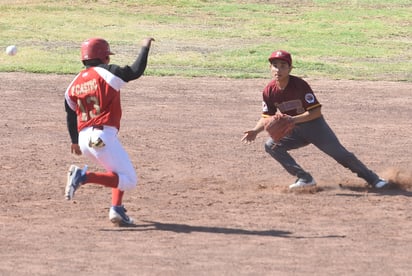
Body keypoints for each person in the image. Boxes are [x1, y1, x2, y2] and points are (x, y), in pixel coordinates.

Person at [241, 50, 389, 190]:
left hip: (316, 127)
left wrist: (292, 119)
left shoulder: (300, 85)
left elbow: (316, 112)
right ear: (270, 68)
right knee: (272, 146)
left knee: (341, 155)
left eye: (283, 66)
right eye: (275, 66)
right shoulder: (269, 90)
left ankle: (374, 180)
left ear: (290, 68)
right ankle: (305, 178)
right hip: (295, 131)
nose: (278, 70)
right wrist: (255, 130)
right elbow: (266, 116)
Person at [64, 36, 155, 225]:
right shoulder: (108, 73)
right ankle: (83, 177)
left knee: (116, 170)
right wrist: (145, 47)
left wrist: (74, 140)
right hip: (100, 137)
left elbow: (70, 114)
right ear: (104, 57)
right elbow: (136, 71)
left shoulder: (74, 83)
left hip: (84, 139)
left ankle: (117, 209)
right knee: (128, 179)